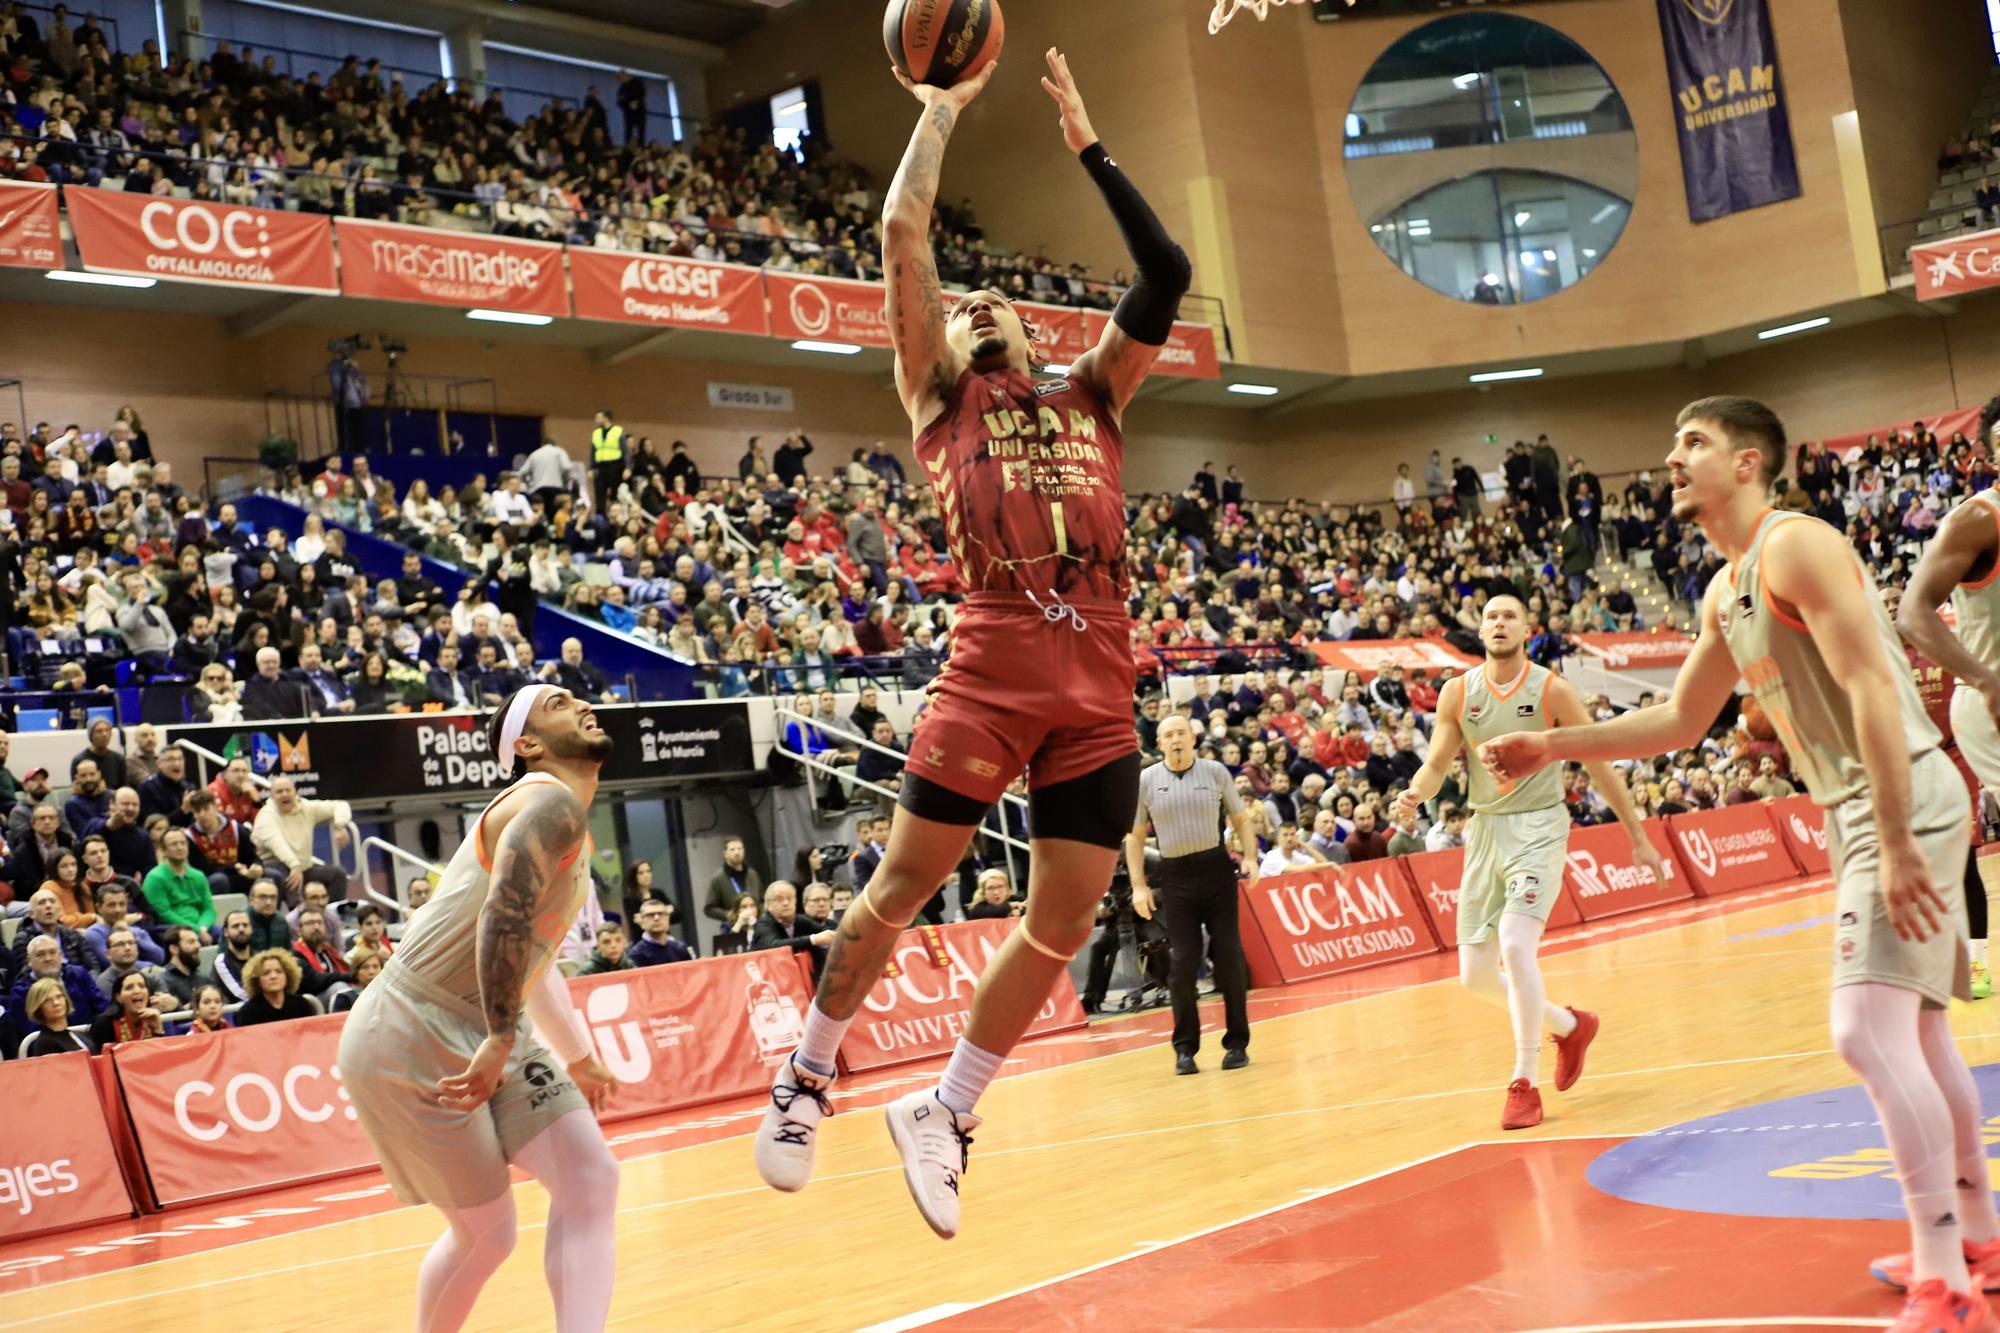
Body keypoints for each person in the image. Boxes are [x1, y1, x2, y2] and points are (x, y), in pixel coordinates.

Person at [754, 47, 1190, 1240]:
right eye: (958, 307)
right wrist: (941, 111)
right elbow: (903, 234)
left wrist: (1089, 150)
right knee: (900, 887)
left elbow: (1166, 271)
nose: (971, 305)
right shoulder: (939, 399)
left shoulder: (1093, 395)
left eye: (989, 301)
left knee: (1062, 922)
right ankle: (805, 1077)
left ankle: (946, 1111)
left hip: (1099, 675)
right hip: (994, 657)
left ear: (1031, 331)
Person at [1480, 397, 1997, 1331]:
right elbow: (1681, 721)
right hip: (1871, 807)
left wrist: (1891, 837)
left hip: (1898, 794)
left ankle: (1941, 1277)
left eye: (1693, 443)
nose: (1671, 459)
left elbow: (1875, 688)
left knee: (1862, 1033)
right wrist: (1550, 747)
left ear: (1750, 463)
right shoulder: (1726, 589)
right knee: (1917, 1035)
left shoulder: (1796, 544)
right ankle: (1979, 1241)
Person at [338, 685, 620, 1333]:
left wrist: (575, 1053)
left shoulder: (563, 813)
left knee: (590, 1177)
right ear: (527, 745)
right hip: (412, 1023)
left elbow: (529, 956)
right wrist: (498, 1032)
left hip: (486, 1016)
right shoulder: (548, 800)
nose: (577, 701)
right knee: (488, 1233)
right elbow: (505, 914)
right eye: (555, 702)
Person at [1394, 591, 1662, 1132]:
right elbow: (1437, 764)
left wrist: (1637, 834)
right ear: (1482, 628)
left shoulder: (1552, 690)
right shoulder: (1457, 693)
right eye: (1490, 616)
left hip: (1540, 824)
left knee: (1516, 946)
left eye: (1509, 615)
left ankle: (1524, 1080)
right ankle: (1569, 1025)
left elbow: (1599, 760)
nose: (1498, 623)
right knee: (1474, 976)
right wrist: (1415, 795)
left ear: (1526, 628)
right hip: (1484, 830)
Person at [1897, 479, 2000, 1006]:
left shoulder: (1938, 652)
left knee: (1964, 865)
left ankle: (1969, 965)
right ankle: (1950, 967)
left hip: (1957, 755)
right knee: (1939, 868)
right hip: (1921, 761)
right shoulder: (1884, 664)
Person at [1125, 713, 1258, 1074]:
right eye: (1168, 734)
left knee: (1229, 957)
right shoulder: (1146, 780)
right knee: (1182, 963)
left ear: (1193, 738)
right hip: (1176, 878)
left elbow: (1241, 819)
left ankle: (1236, 1043)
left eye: (1182, 732)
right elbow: (1134, 837)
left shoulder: (1215, 772)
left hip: (1216, 872)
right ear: (1160, 743)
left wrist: (1250, 858)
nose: (1176, 739)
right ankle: (1185, 1048)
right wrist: (1139, 886)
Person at [251, 776, 353, 906]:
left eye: (288, 790)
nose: (284, 794)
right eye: (279, 791)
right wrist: (294, 865)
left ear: (295, 792)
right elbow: (277, 844)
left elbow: (340, 805)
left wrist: (340, 825)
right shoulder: (265, 815)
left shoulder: (306, 807)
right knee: (284, 870)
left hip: (303, 868)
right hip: (273, 868)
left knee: (337, 874)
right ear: (271, 795)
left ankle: (333, 916)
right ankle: (298, 913)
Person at [234, 948, 319, 1025]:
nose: (273, 976)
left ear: (287, 975)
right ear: (257, 980)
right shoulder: (248, 1013)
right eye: (266, 973)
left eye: (279, 971)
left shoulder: (301, 1005)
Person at [89, 969, 166, 1048]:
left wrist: (157, 1029)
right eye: (129, 988)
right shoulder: (103, 1023)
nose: (137, 991)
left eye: (142, 986)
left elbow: (160, 1056)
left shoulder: (153, 1017)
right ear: (118, 997)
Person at [19, 978, 90, 1057]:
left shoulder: (79, 1034)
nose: (56, 1003)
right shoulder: (45, 1044)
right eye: (47, 1000)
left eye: (59, 996)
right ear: (38, 1008)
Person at [703, 837, 763, 924]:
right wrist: (729, 915)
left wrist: (759, 912)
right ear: (725, 853)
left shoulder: (752, 875)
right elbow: (709, 909)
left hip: (756, 924)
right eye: (732, 849)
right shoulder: (718, 878)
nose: (737, 852)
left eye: (740, 849)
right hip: (733, 927)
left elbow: (762, 900)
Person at [628, 898, 694, 967]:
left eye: (661, 914)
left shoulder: (680, 948)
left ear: (668, 918)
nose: (657, 918)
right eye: (650, 915)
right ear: (642, 921)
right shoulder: (636, 954)